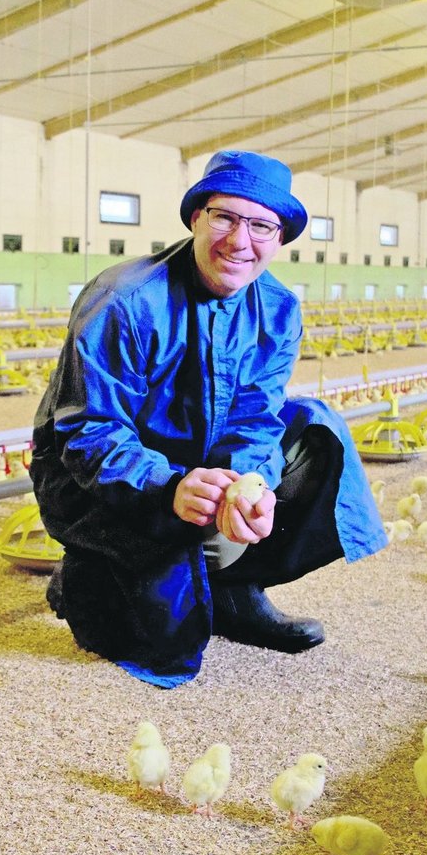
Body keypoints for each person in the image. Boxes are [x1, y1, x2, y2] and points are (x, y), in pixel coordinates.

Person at [30, 150, 387, 688]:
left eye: (261, 226)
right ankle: (87, 573)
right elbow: (89, 431)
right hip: (104, 484)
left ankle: (233, 591)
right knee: (158, 641)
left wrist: (249, 484)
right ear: (197, 218)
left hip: (200, 471)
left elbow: (256, 416)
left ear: (280, 238)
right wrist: (168, 486)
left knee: (317, 430)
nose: (240, 241)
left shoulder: (278, 309)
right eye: (225, 217)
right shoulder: (125, 300)